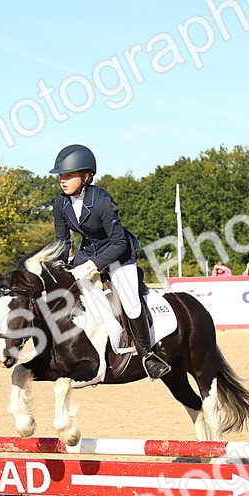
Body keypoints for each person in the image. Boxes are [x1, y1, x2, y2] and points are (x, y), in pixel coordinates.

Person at [50, 143, 170, 380]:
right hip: (87, 255)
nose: (62, 180)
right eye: (61, 175)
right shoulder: (60, 204)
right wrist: (59, 267)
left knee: (131, 302)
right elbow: (63, 242)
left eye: (68, 175)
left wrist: (94, 265)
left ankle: (148, 356)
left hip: (118, 256)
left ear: (86, 176)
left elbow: (119, 243)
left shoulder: (103, 200)